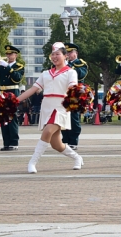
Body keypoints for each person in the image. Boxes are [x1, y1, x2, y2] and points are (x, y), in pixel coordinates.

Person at [16, 42, 82, 174]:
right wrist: (14, 101)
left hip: (61, 107)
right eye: (53, 54)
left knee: (47, 132)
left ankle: (32, 162)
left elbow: (72, 88)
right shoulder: (46, 73)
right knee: (56, 145)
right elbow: (33, 89)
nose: (55, 57)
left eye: (58, 54)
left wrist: (74, 97)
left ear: (65, 56)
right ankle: (77, 158)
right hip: (46, 106)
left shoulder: (71, 72)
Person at [0, 45, 25, 151]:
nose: (8, 56)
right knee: (3, 118)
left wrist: (8, 67)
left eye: (10, 54)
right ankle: (6, 143)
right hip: (2, 93)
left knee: (12, 117)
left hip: (13, 92)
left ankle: (14, 143)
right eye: (7, 54)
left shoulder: (19, 66)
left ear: (15, 55)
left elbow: (17, 78)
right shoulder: (3, 66)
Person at [60, 43, 88, 150]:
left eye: (70, 52)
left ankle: (73, 140)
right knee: (63, 117)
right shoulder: (61, 64)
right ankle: (65, 139)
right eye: (66, 52)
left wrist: (69, 66)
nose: (68, 54)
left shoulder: (81, 63)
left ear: (76, 53)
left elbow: (81, 74)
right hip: (63, 92)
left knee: (73, 118)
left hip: (75, 93)